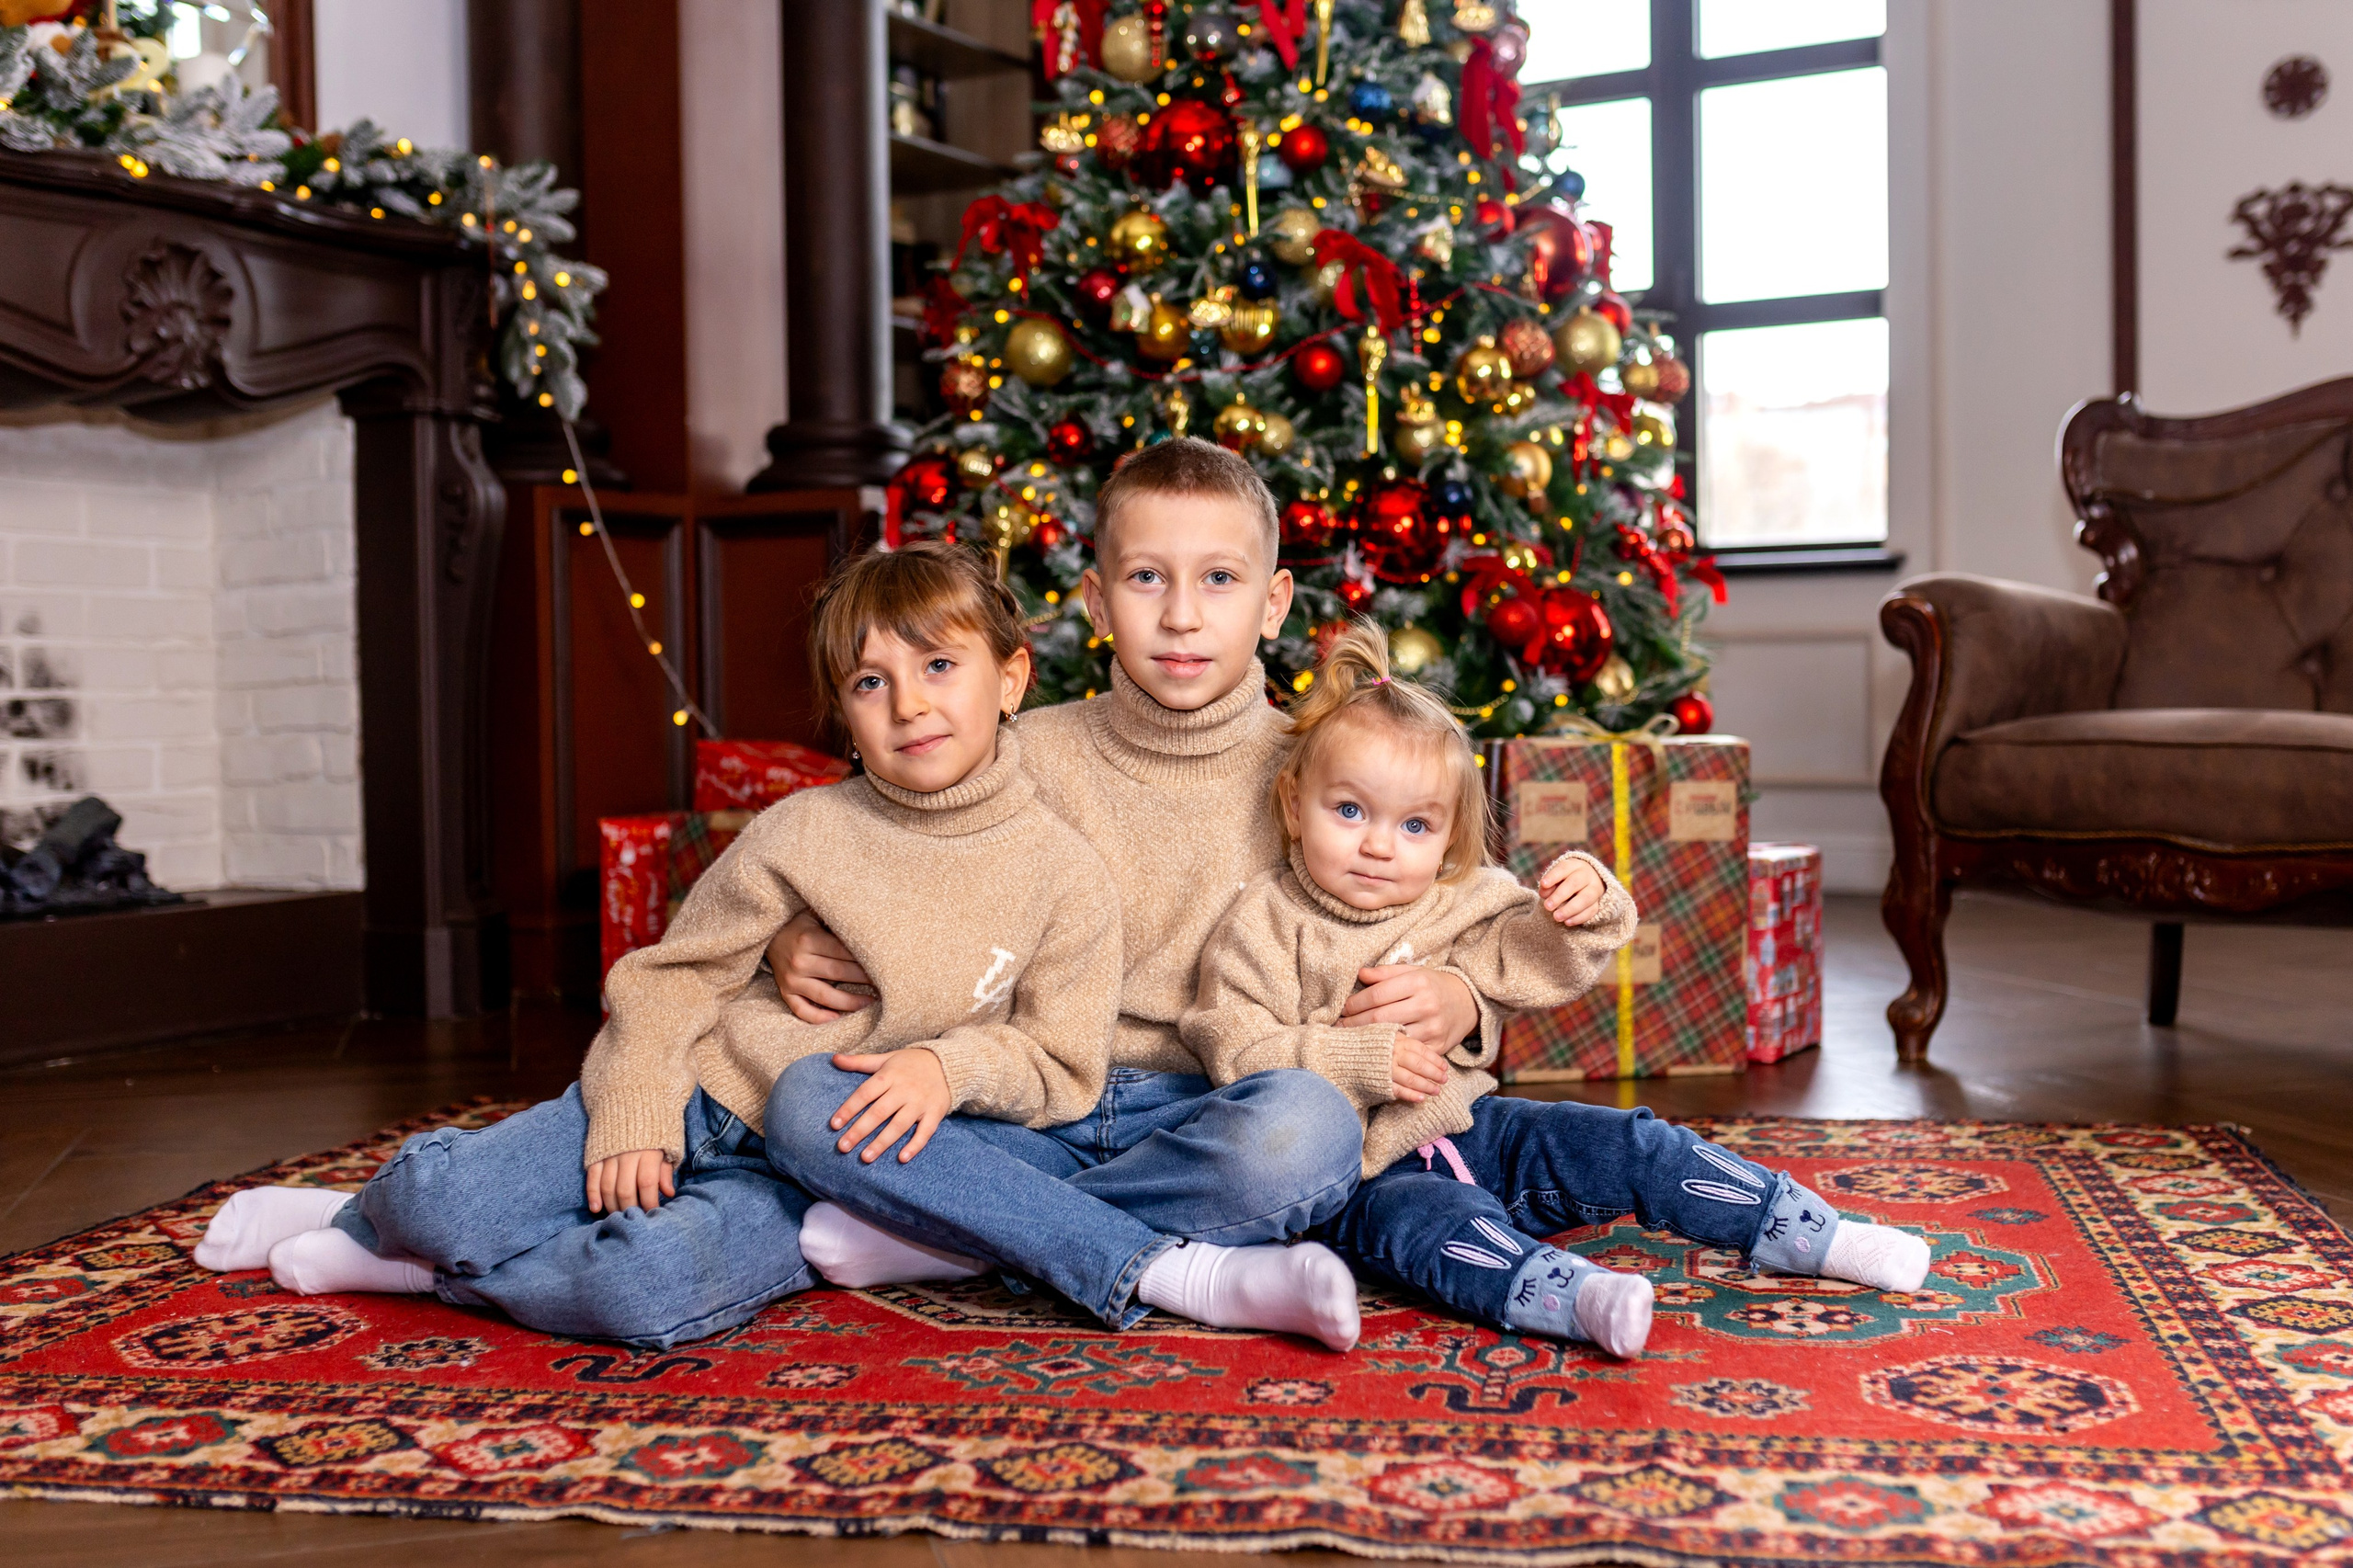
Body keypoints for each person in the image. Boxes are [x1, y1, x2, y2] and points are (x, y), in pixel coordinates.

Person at [191, 541, 1125, 1348]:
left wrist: (949, 1067)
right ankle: (370, 1214)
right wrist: (637, 1109)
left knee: (640, 1288)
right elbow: (673, 977)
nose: (908, 704)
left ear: (1011, 679)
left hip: (811, 1174)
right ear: (845, 712)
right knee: (446, 1201)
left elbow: (1062, 1065)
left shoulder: (1064, 875)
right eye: (870, 682)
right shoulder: (804, 830)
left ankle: (418, 1271)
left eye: (939, 665)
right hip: (696, 1096)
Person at [759, 438, 1464, 1352]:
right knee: (807, 1101)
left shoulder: (1321, 767)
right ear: (1096, 602)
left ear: (1274, 603)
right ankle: (1159, 1260)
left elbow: (1449, 899)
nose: (1181, 616)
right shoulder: (1023, 749)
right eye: (1145, 579)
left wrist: (1461, 997)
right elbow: (872, 837)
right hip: (1025, 1103)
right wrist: (787, 932)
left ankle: (960, 1231)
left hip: (1210, 1111)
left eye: (1218, 579)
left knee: (1312, 1127)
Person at [1180, 621, 1933, 1358]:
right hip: (1363, 1177)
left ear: (1449, 834)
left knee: (1628, 1142)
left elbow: (1534, 956)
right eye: (1349, 812)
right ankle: (1577, 1298)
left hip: (1479, 1128)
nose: (1379, 845)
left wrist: (1584, 904)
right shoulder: (1266, 922)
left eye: (1414, 826)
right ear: (1294, 805)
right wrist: (1354, 1060)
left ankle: (1807, 1229)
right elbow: (1233, 1045)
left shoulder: (1461, 898)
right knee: (1440, 1229)